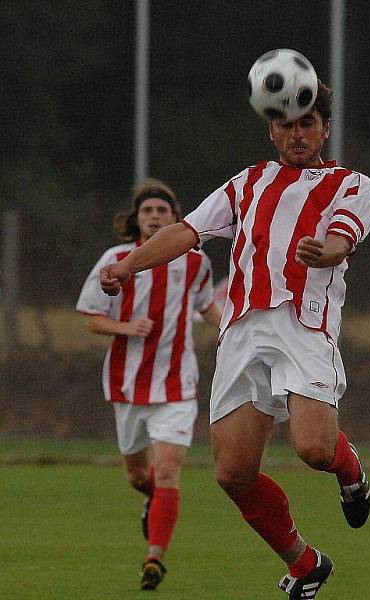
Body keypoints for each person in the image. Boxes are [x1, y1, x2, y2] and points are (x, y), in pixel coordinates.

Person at [98, 81, 370, 600]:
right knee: (232, 473)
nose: (297, 134)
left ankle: (351, 472)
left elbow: (344, 235)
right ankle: (306, 563)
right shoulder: (246, 183)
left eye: (308, 123)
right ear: (271, 129)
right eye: (287, 125)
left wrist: (327, 251)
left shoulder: (350, 183)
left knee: (314, 449)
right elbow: (186, 232)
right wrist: (130, 264)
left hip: (303, 325)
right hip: (243, 333)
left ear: (326, 128)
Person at [76, 178, 221, 590]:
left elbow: (206, 305)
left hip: (177, 383)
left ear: (177, 218)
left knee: (169, 470)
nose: (155, 216)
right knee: (140, 476)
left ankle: (154, 558)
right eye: (148, 211)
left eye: (163, 211)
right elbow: (90, 318)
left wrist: (236, 327)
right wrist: (124, 327)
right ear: (136, 220)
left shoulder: (196, 262)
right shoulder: (117, 259)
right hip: (128, 385)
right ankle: (152, 502)